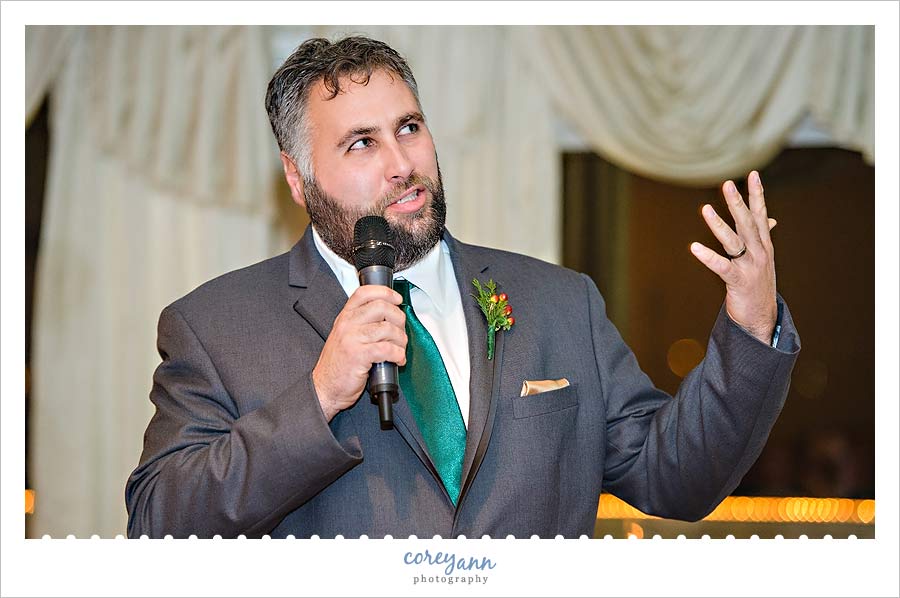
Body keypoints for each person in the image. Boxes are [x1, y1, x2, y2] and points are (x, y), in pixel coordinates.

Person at [125, 36, 800, 539]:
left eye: (409, 128)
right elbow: (160, 522)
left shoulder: (560, 303)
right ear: (298, 180)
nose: (401, 164)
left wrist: (750, 328)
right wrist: (320, 396)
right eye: (361, 143)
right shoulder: (215, 327)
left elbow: (675, 476)